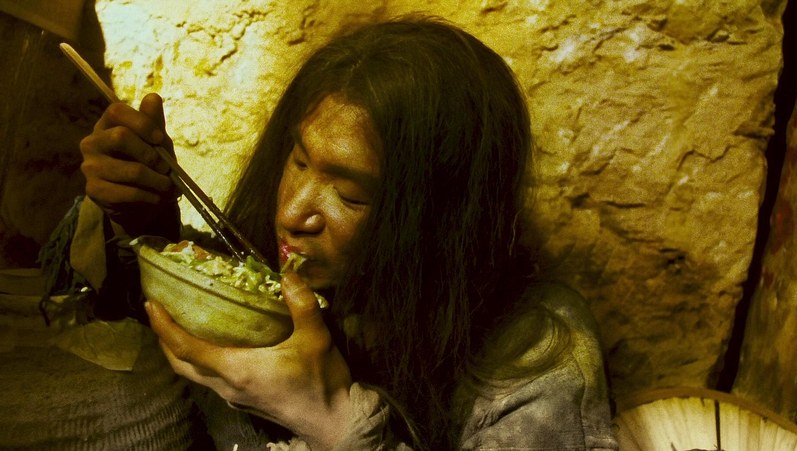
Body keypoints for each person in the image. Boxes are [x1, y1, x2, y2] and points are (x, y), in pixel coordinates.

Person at [77, 15, 618, 450]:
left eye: (351, 195)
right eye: (298, 160)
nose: (293, 214)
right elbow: (116, 311)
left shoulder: (539, 351)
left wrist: (329, 417)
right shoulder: (269, 277)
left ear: (439, 222)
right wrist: (141, 216)